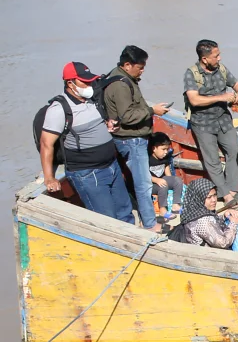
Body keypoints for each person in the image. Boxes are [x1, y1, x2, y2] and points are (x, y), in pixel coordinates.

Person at [38, 62, 135, 225]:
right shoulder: (59, 109)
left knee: (125, 212)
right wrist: (49, 178)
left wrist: (108, 125)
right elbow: (46, 144)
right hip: (88, 173)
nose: (90, 85)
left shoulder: (92, 100)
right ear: (70, 83)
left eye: (90, 80)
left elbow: (95, 124)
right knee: (106, 221)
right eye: (84, 81)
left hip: (112, 166)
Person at [104, 45, 171, 232]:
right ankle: (149, 224)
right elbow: (127, 116)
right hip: (131, 141)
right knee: (144, 184)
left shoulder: (122, 78)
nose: (142, 71)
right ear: (127, 65)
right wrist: (152, 110)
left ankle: (146, 220)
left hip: (132, 139)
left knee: (142, 182)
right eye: (140, 67)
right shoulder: (121, 85)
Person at [183, 39, 238, 208]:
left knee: (234, 150)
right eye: (216, 56)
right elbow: (194, 100)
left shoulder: (221, 69)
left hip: (224, 120)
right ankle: (226, 195)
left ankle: (233, 190)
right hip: (203, 124)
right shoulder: (191, 74)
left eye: (219, 54)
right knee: (212, 161)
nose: (219, 58)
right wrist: (221, 97)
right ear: (204, 59)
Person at [173, 178, 238, 249]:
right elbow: (223, 243)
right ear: (199, 198)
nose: (214, 200)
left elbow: (212, 222)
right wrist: (233, 224)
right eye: (209, 197)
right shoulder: (202, 222)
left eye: (215, 195)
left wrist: (224, 217)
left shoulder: (192, 211)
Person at [146, 132, 182, 225]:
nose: (166, 152)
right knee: (163, 185)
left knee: (177, 180)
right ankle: (162, 210)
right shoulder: (147, 159)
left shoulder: (165, 157)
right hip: (151, 184)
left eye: (167, 149)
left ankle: (175, 205)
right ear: (154, 148)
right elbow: (144, 175)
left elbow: (167, 169)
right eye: (163, 149)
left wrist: (171, 181)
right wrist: (156, 180)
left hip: (162, 180)